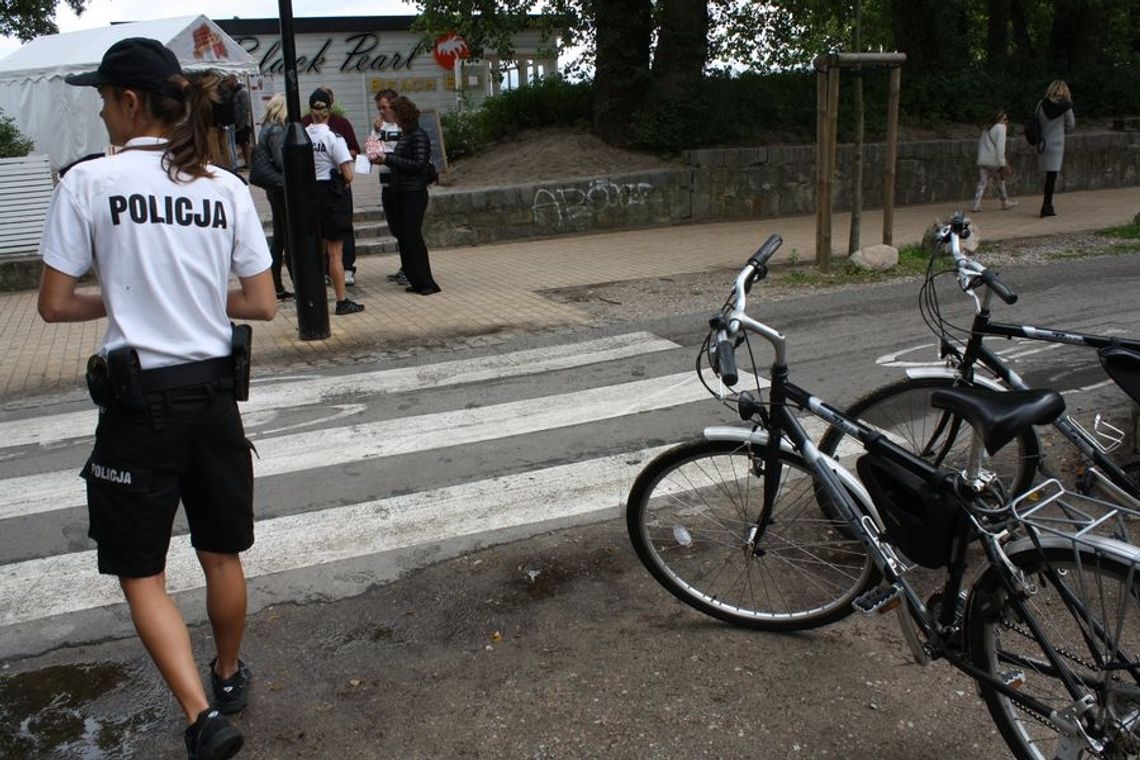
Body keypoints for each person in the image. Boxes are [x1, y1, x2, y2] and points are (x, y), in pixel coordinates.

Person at [37, 37, 276, 760]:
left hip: (139, 408)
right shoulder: (225, 187)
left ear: (130, 101)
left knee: (141, 572)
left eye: (103, 99)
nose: (101, 113)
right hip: (214, 401)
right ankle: (227, 676)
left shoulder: (88, 182)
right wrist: (191, 295)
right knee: (221, 553)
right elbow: (261, 303)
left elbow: (53, 303)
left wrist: (127, 297)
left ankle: (202, 718)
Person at [305, 88, 364, 315]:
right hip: (332, 195)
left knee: (315, 251)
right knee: (335, 253)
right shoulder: (333, 137)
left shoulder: (304, 135)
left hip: (311, 194)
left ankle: (314, 299)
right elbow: (348, 174)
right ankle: (341, 300)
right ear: (329, 110)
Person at [379, 95, 440, 296]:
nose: (392, 118)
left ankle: (426, 281)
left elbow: (419, 165)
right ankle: (416, 279)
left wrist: (388, 160)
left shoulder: (418, 135)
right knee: (406, 237)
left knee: (412, 236)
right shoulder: (407, 135)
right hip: (403, 191)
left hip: (414, 192)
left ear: (401, 114)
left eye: (394, 113)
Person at [255, 93, 294, 300]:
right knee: (287, 237)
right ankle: (292, 282)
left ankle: (276, 283)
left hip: (273, 188)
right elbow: (281, 161)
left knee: (280, 237)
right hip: (281, 188)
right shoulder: (277, 130)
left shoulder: (266, 128)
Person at [365, 88, 405, 285]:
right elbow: (371, 152)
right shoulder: (380, 127)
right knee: (395, 226)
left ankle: (409, 267)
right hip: (386, 182)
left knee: (405, 228)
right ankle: (405, 266)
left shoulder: (402, 127)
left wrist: (385, 154)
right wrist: (376, 133)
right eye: (379, 108)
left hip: (401, 182)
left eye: (384, 108)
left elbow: (397, 152)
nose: (381, 112)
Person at [1035, 80, 1075, 218]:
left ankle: (1047, 205)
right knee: (1052, 178)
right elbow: (1071, 125)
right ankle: (1047, 206)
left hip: (1043, 144)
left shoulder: (1041, 104)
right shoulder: (1066, 106)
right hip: (1057, 144)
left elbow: (1036, 120)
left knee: (1046, 177)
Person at [971, 111, 1018, 213]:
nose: (1006, 121)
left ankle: (976, 204)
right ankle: (1005, 202)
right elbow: (1000, 148)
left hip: (984, 160)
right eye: (1005, 119)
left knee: (982, 182)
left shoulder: (987, 129)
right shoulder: (1001, 128)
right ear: (999, 120)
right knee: (1000, 180)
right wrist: (1002, 163)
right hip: (994, 161)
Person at [231, 77, 253, 169]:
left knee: (245, 143)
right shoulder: (236, 92)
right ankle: (247, 163)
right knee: (242, 143)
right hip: (239, 122)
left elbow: (245, 108)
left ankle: (249, 163)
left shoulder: (242, 92)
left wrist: (242, 124)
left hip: (243, 123)